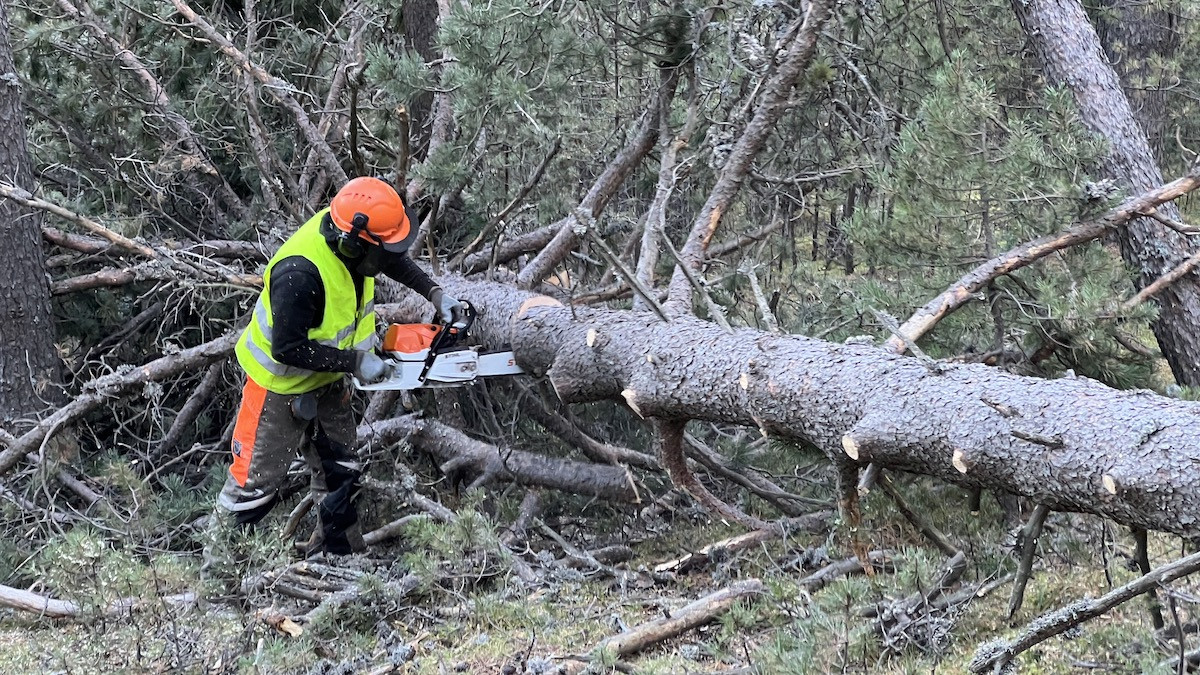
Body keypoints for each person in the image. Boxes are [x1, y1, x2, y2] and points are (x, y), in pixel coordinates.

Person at [203, 177, 464, 584]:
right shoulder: (299, 273)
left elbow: (389, 256)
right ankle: (216, 584)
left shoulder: (355, 236)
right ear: (355, 244)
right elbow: (287, 348)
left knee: (340, 469)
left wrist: (433, 292)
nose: (389, 254)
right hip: (277, 388)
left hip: (327, 377)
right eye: (383, 249)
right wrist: (354, 361)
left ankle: (340, 560)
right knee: (253, 489)